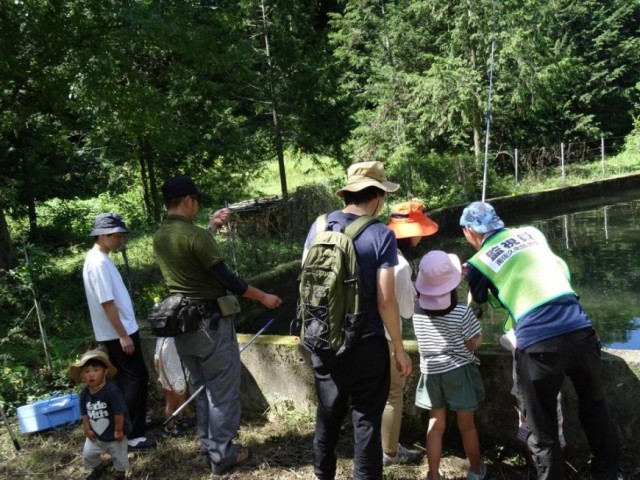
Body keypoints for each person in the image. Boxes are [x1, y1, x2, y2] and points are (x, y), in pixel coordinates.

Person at [460, 201, 621, 480]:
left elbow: (487, 305)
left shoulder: (477, 264)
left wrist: (473, 277)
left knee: (542, 428)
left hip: (537, 345)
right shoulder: (532, 234)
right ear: (497, 222)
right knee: (594, 404)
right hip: (580, 328)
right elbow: (562, 271)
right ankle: (609, 473)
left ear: (468, 232)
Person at [152, 174, 282, 476]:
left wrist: (211, 226)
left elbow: (192, 257)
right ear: (187, 201)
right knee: (221, 391)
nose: (197, 206)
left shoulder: (161, 236)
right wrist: (263, 297)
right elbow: (226, 279)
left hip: (183, 326)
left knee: (202, 388)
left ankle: (211, 449)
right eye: (196, 201)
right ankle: (223, 455)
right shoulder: (194, 236)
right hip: (210, 325)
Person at [302, 161, 412, 480]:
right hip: (367, 344)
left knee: (327, 417)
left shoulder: (319, 226)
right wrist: (399, 349)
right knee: (365, 423)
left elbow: (308, 281)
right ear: (377, 196)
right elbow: (386, 299)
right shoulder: (381, 235)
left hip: (324, 338)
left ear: (348, 193)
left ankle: (323, 476)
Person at [82, 212, 156, 451]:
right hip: (118, 332)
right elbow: (107, 302)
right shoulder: (99, 263)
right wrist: (123, 334)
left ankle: (132, 422)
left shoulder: (100, 257)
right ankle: (132, 435)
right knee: (135, 378)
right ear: (103, 235)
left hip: (119, 330)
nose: (121, 240)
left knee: (129, 378)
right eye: (118, 235)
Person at [413, 250, 486, 480]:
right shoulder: (461, 312)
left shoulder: (417, 311)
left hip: (431, 372)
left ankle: (433, 474)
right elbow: (471, 344)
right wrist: (477, 337)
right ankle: (476, 470)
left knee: (435, 425)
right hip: (458, 372)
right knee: (467, 426)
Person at [382, 200, 439, 466]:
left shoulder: (376, 250)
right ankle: (390, 453)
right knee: (393, 394)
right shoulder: (401, 264)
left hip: (360, 332)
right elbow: (405, 311)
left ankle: (373, 444)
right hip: (385, 336)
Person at [69, 349, 132, 480]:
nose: (91, 375)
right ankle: (98, 468)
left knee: (119, 456)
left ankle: (120, 475)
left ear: (105, 372)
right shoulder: (85, 393)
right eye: (87, 372)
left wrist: (118, 430)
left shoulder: (111, 391)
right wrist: (87, 428)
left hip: (115, 435)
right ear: (82, 376)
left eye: (95, 370)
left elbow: (119, 412)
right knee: (88, 454)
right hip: (96, 435)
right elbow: (84, 413)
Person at [154, 336, 197, 438]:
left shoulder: (164, 339)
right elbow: (158, 360)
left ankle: (180, 419)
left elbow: (156, 360)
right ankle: (169, 428)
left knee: (177, 400)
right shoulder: (169, 341)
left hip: (172, 377)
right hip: (171, 379)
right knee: (171, 404)